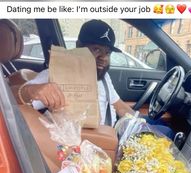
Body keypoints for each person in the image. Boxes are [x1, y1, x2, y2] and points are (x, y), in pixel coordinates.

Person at [16, 19, 174, 139]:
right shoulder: (54, 75)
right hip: (99, 142)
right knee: (167, 133)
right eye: (96, 49)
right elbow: (11, 104)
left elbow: (120, 107)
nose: (103, 58)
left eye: (107, 52)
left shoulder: (103, 77)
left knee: (163, 126)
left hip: (115, 131)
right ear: (79, 46)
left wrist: (142, 125)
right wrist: (31, 91)